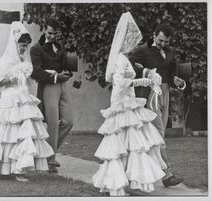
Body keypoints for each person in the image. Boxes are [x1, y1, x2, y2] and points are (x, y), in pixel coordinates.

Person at [92, 12, 167, 196]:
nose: (134, 44)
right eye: (132, 40)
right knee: (130, 144)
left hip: (127, 102)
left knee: (130, 144)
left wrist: (145, 79)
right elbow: (118, 82)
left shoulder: (124, 58)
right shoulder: (120, 59)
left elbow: (125, 79)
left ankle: (128, 181)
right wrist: (138, 83)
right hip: (123, 104)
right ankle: (123, 182)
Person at [0, 21, 54, 182]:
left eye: (26, 46)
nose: (24, 49)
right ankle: (0, 166)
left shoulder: (22, 61)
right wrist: (13, 79)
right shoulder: (4, 61)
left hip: (23, 98)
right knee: (6, 135)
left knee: (24, 133)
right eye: (22, 45)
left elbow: (29, 79)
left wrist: (36, 74)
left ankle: (18, 168)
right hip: (10, 100)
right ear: (15, 43)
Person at [129, 23, 185, 187]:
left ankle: (138, 172)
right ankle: (167, 175)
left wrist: (177, 81)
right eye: (160, 40)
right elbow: (130, 66)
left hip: (166, 93)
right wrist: (146, 72)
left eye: (166, 42)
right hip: (150, 94)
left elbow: (172, 72)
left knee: (158, 135)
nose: (163, 44)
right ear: (154, 36)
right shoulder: (142, 51)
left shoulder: (171, 51)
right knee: (158, 134)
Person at [30, 18, 74, 173]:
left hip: (63, 84)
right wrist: (55, 77)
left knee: (69, 121)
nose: (52, 36)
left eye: (55, 34)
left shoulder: (60, 46)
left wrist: (68, 73)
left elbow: (64, 66)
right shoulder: (37, 48)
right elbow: (35, 72)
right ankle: (50, 160)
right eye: (50, 33)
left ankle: (46, 152)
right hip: (49, 86)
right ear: (44, 30)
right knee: (53, 123)